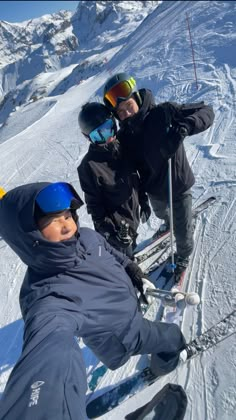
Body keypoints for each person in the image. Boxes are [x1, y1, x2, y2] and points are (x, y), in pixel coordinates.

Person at [0, 181, 186, 419]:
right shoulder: (47, 297)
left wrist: (133, 270)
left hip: (129, 307)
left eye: (67, 215)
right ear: (29, 235)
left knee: (162, 333)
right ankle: (167, 361)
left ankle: (164, 353)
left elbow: (111, 253)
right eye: (52, 221)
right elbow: (49, 349)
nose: (67, 225)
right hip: (124, 333)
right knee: (171, 336)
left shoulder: (86, 237)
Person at [103, 73, 215, 276]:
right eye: (120, 112)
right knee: (162, 213)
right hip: (154, 189)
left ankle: (183, 254)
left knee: (182, 232)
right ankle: (168, 222)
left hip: (177, 184)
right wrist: (142, 199)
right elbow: (131, 169)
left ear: (136, 98)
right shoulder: (125, 136)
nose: (126, 113)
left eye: (128, 105)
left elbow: (206, 111)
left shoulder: (164, 113)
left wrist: (185, 127)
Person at [77, 102, 151, 256]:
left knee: (131, 247)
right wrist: (111, 234)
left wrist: (143, 200)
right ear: (88, 138)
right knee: (123, 259)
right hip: (116, 230)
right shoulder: (89, 166)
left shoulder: (123, 148)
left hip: (132, 219)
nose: (108, 138)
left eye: (109, 128)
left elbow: (135, 177)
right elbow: (95, 207)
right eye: (99, 135)